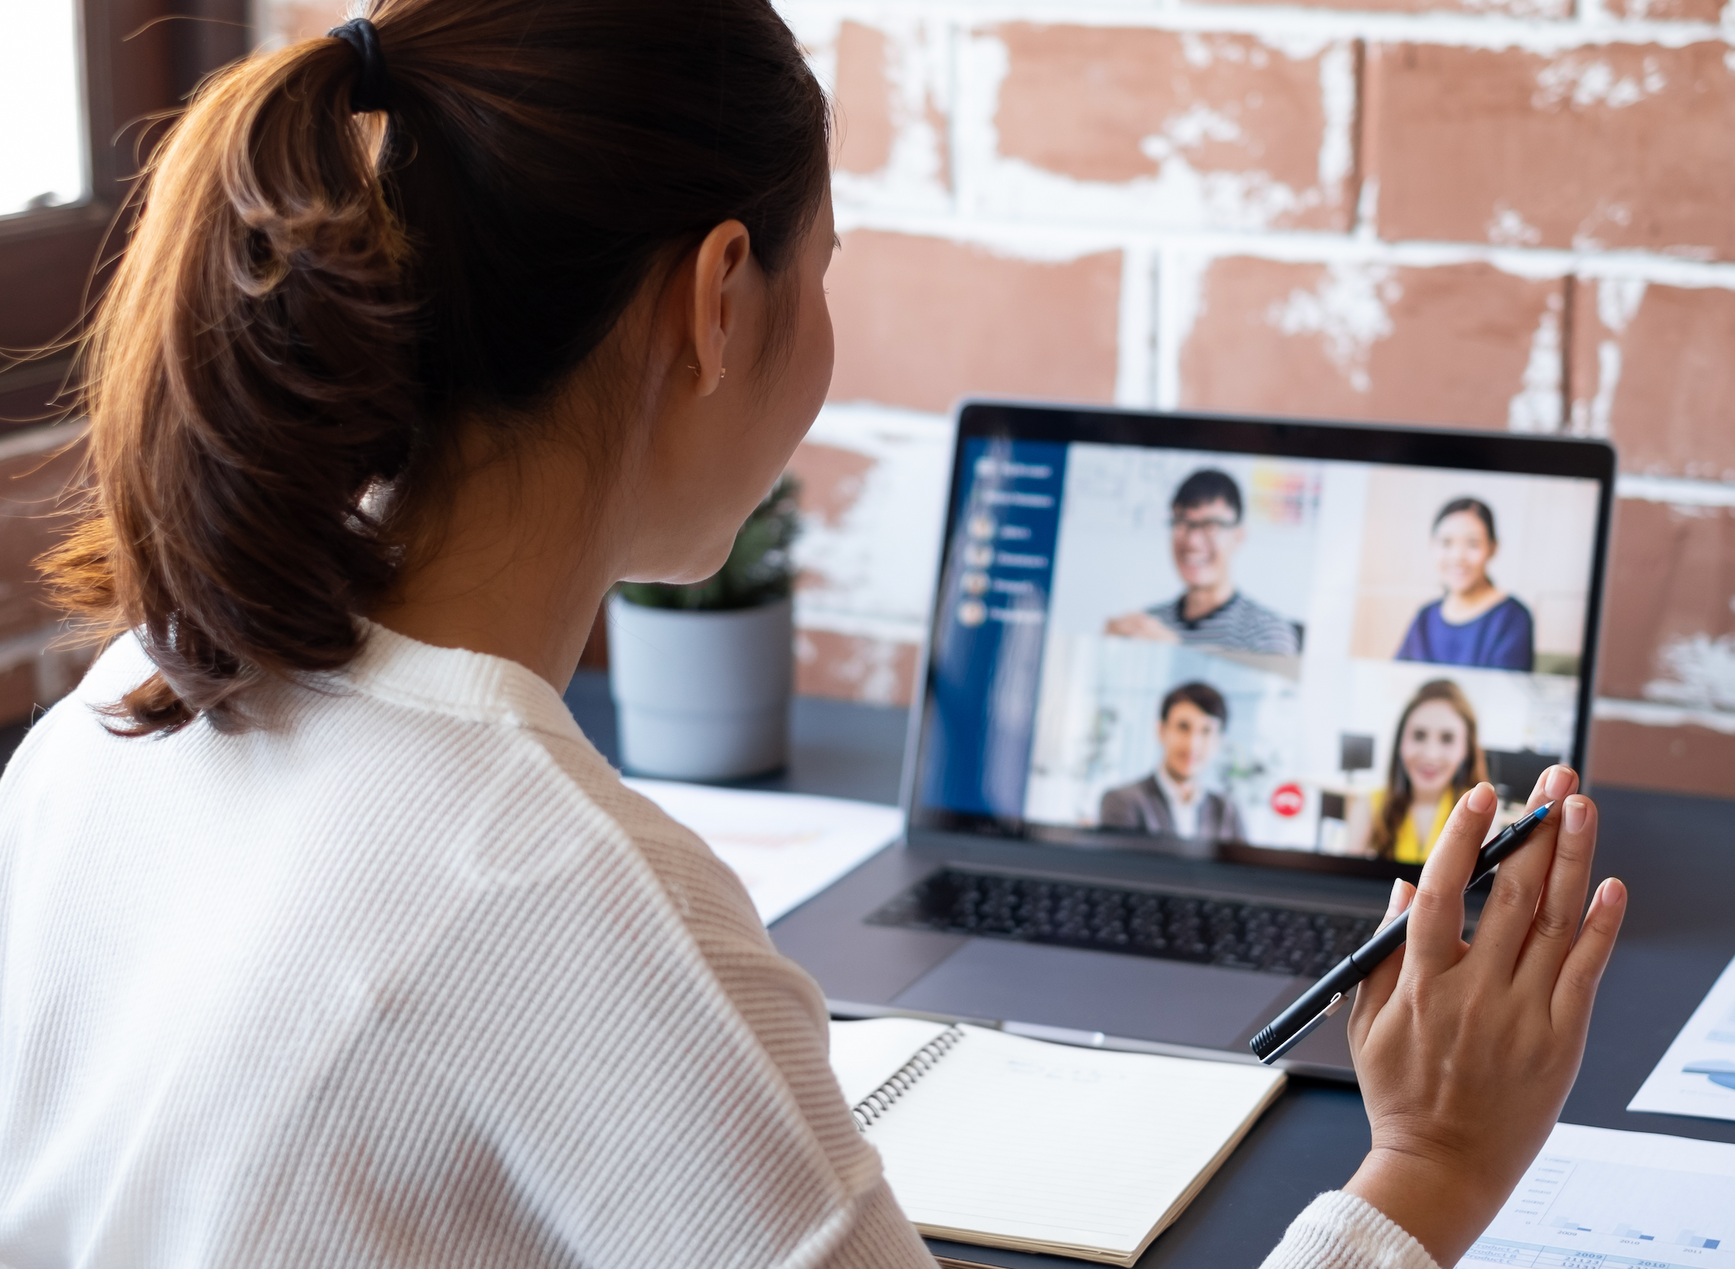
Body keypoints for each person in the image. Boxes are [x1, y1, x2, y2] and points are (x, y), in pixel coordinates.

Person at [0, 2, 1626, 1266]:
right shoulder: (556, 899)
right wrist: (1426, 1169)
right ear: (720, 296)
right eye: (824, 266)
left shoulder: (110, 719)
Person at [1105, 468, 1304, 656]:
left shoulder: (1266, 632)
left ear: (1238, 536)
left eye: (1210, 525)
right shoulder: (1148, 624)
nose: (1192, 540)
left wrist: (1172, 654)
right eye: (1182, 523)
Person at [1349, 680, 1490, 865]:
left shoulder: (1480, 811)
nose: (1431, 754)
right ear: (1401, 742)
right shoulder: (1369, 806)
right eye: (1418, 735)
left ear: (1466, 749)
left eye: (1447, 739)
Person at [1395, 497, 1535, 671]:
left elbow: (1504, 694)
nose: (1458, 556)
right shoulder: (1425, 616)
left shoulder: (1512, 618)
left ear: (1493, 548)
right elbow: (1396, 681)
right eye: (1446, 543)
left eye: (1473, 544)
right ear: (1432, 545)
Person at [1099, 681, 1246, 845]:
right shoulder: (1124, 802)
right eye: (1183, 727)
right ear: (1161, 730)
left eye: (1206, 731)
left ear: (1218, 741)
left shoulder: (1227, 812)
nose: (1192, 744)